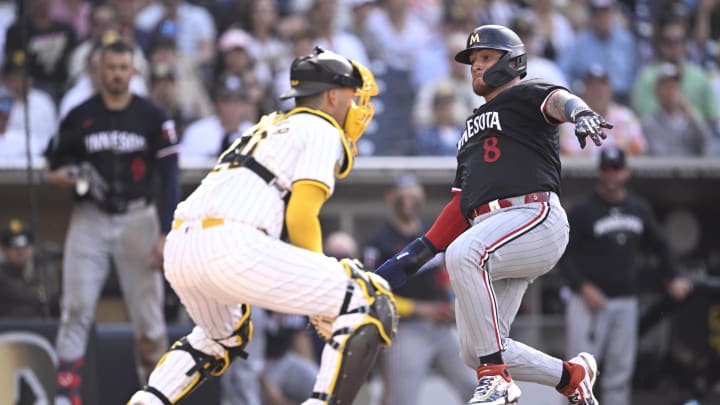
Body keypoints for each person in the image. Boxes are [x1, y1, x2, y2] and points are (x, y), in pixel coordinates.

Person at [128, 46, 398, 405]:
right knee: (369, 299)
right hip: (233, 243)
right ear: (333, 95)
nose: (358, 107)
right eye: (354, 97)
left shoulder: (269, 125)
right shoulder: (321, 127)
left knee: (219, 337)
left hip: (182, 246)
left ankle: (148, 401)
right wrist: (319, 291)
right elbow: (300, 216)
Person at [373, 24, 613, 405]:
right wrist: (411, 257)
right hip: (492, 230)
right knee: (475, 349)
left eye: (486, 58)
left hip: (533, 216)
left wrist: (579, 111)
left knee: (464, 256)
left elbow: (557, 99)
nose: (476, 67)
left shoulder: (523, 93)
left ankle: (496, 379)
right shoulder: (470, 127)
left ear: (512, 61)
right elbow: (460, 204)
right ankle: (570, 375)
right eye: (472, 61)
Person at [44, 40, 180, 405]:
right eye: (111, 68)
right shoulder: (79, 115)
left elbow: (170, 176)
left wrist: (167, 231)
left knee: (149, 319)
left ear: (133, 71)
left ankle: (155, 396)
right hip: (90, 218)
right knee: (75, 309)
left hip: (139, 217)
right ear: (98, 70)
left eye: (123, 68)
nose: (117, 74)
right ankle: (65, 396)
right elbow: (52, 169)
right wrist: (74, 178)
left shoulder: (153, 116)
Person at [558, 146, 692, 405]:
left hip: (625, 302)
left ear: (626, 172)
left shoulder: (638, 208)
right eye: (607, 170)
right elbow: (564, 255)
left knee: (620, 374)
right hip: (587, 302)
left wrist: (673, 275)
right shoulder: (584, 209)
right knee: (578, 374)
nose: (611, 176)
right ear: (599, 172)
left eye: (616, 170)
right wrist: (583, 287)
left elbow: (660, 245)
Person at [362, 174, 477, 405]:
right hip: (405, 329)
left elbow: (443, 269)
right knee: (401, 400)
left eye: (414, 195)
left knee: (476, 387)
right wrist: (421, 309)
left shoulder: (431, 230)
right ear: (390, 198)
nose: (409, 200)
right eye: (402, 195)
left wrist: (452, 300)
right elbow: (370, 295)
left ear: (422, 197)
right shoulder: (379, 242)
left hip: (442, 326)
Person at [640, 63, 712, 156]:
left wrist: (691, 115)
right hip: (661, 169)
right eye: (666, 86)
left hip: (690, 169)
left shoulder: (689, 121)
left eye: (674, 86)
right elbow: (656, 154)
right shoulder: (648, 123)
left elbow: (706, 144)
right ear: (656, 91)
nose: (671, 90)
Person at [0, 218, 46, 318]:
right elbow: (22, 297)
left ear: (32, 247)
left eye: (26, 243)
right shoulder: (2, 276)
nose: (21, 249)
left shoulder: (37, 276)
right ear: (3, 249)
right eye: (13, 244)